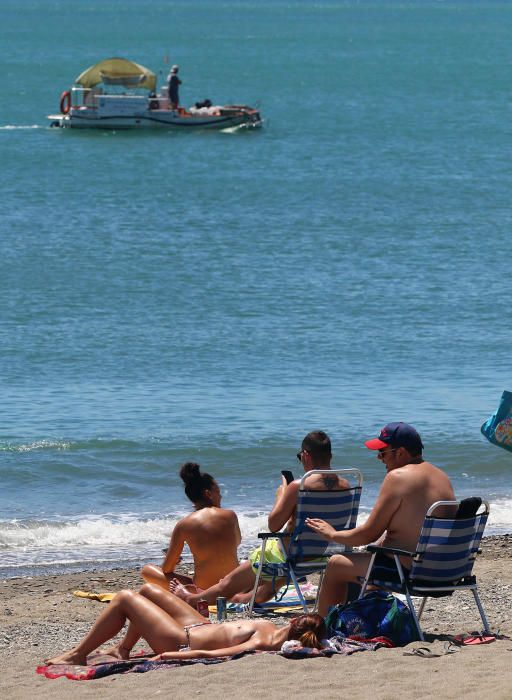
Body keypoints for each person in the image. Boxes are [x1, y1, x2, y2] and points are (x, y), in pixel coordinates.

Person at [173, 431, 350, 608]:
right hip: (320, 556)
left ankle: (191, 599)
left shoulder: (298, 486)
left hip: (288, 555)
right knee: (262, 591)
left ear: (305, 455)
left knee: (226, 584)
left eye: (300, 456)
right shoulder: (346, 485)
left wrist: (281, 495)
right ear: (330, 456)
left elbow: (273, 525)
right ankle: (239, 600)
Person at [306, 422, 456, 616]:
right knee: (375, 555)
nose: (379, 457)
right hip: (445, 571)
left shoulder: (398, 477)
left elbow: (367, 534)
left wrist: (332, 534)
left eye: (383, 452)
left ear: (401, 452)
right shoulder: (441, 476)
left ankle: (323, 627)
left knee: (336, 563)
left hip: (412, 573)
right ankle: (361, 618)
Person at [44, 583, 326, 665]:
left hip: (180, 639)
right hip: (199, 624)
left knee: (125, 598)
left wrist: (172, 654)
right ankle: (123, 649)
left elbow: (216, 654)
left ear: (294, 621)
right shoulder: (274, 630)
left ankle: (78, 654)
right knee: (147, 591)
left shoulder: (266, 642)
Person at [141, 462, 241, 593]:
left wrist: (174, 561)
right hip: (235, 586)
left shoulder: (184, 524)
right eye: (218, 491)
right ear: (208, 494)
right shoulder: (230, 515)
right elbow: (237, 542)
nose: (220, 496)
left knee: (147, 570)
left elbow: (167, 570)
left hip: (203, 591)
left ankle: (189, 589)